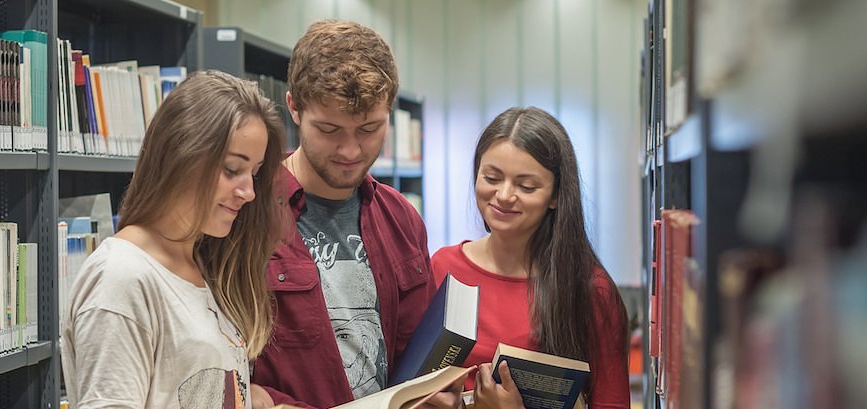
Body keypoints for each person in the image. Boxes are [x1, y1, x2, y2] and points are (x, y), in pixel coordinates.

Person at [60, 70, 285, 409]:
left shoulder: (203, 263)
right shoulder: (120, 277)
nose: (249, 192)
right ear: (182, 154)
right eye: (231, 169)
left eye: (253, 173)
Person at [249, 20, 442, 408]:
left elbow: (420, 357)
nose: (351, 151)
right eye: (330, 129)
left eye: (369, 128)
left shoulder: (402, 219)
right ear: (294, 108)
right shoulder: (246, 212)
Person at [430, 107, 630, 408]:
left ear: (556, 196)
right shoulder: (443, 267)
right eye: (492, 177)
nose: (504, 195)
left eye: (526, 186)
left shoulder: (589, 288)